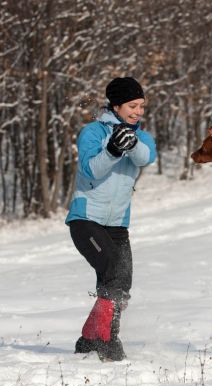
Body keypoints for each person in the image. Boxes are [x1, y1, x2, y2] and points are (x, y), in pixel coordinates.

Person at [65, 77, 157, 361]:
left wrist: (129, 143)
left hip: (118, 224)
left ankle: (90, 337)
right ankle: (106, 340)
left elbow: (146, 158)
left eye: (141, 105)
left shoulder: (142, 137)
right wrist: (113, 149)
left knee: (120, 283)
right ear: (116, 105)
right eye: (132, 105)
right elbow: (91, 170)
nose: (138, 111)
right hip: (86, 220)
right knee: (114, 271)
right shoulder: (92, 133)